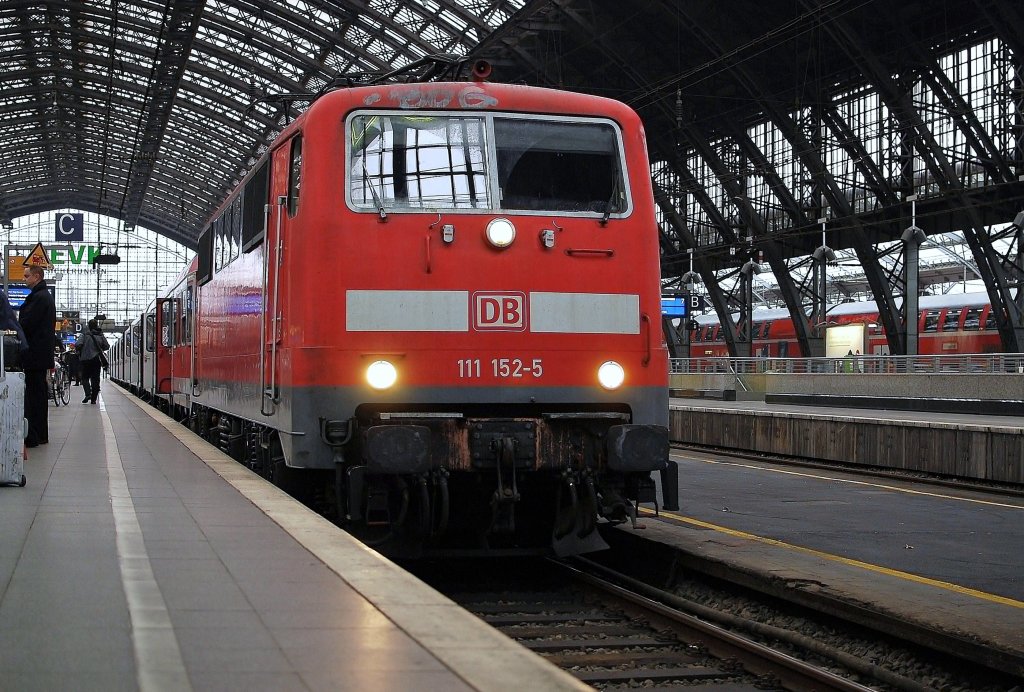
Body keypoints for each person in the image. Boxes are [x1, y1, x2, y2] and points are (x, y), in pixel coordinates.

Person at [18, 265, 56, 447]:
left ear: (37, 276)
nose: (24, 279)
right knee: (37, 395)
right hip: (39, 355)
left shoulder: (40, 298)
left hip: (35, 354)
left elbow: (28, 323)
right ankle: (39, 433)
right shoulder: (43, 296)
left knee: (34, 396)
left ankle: (34, 434)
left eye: (27, 276)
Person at [76, 318, 109, 404]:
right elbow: (106, 346)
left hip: (85, 360)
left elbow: (78, 344)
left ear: (89, 326)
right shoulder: (100, 335)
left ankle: (88, 394)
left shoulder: (84, 334)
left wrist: (81, 349)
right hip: (96, 360)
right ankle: (93, 399)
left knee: (85, 377)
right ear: (97, 325)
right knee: (95, 379)